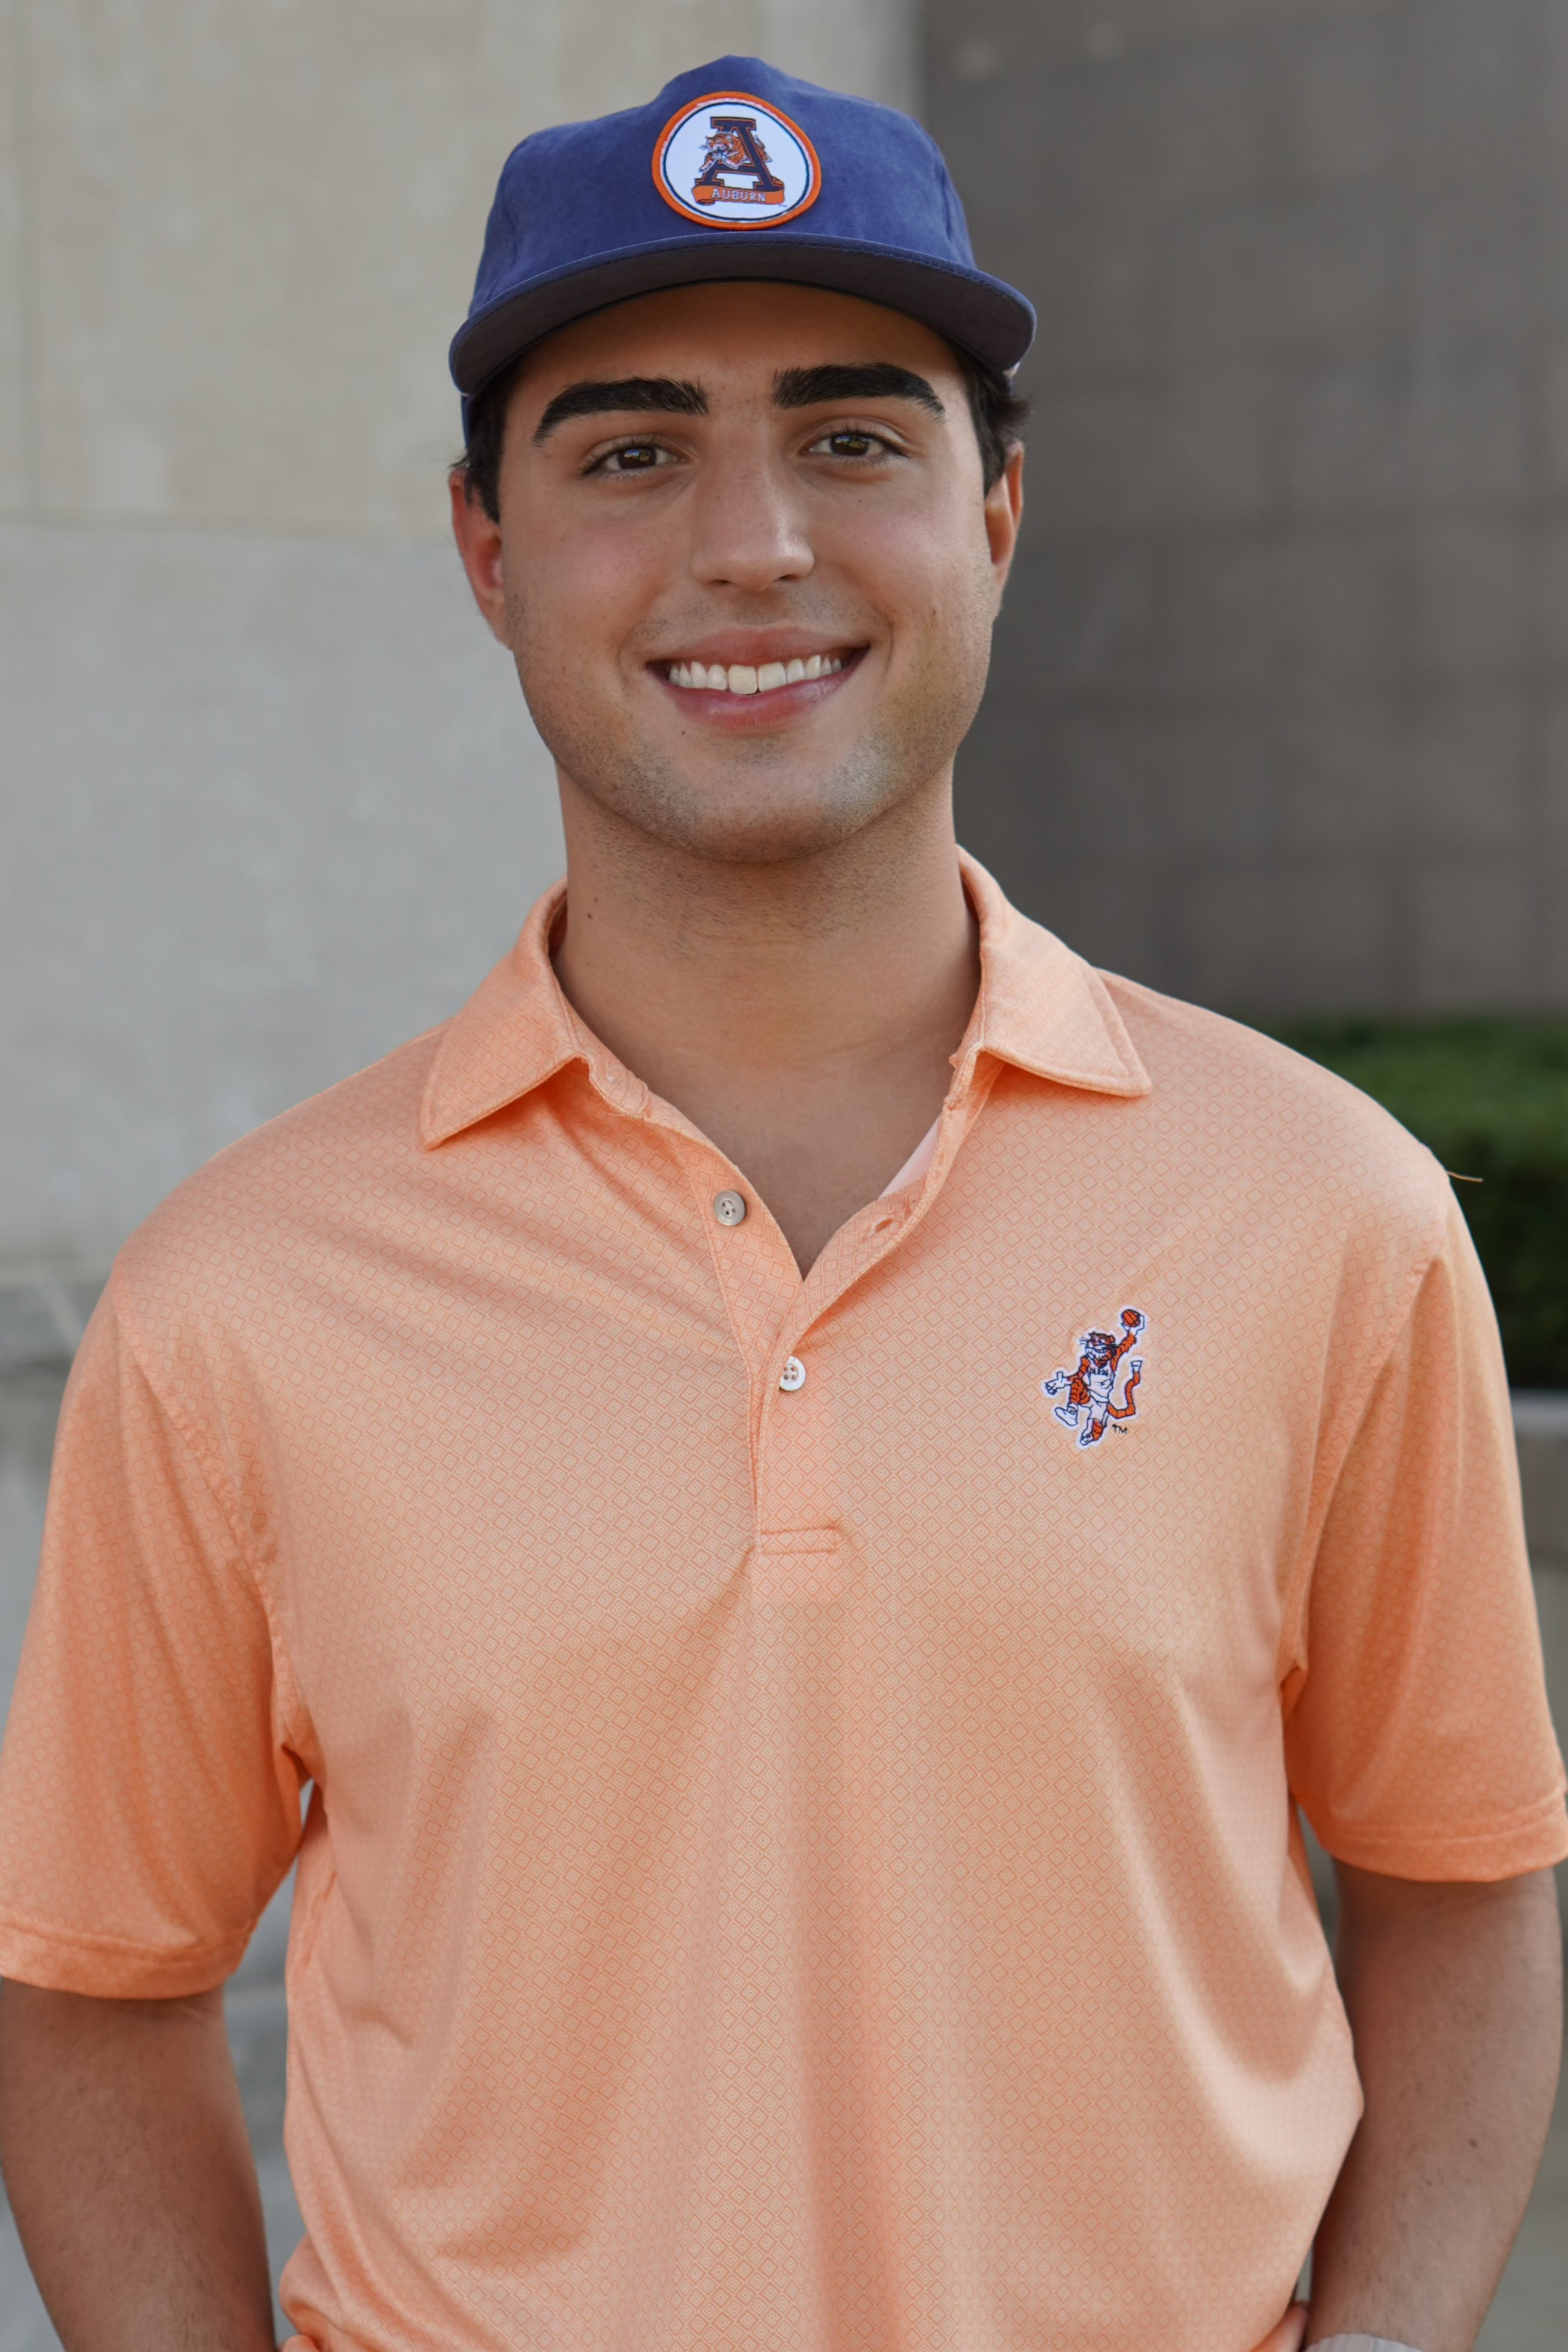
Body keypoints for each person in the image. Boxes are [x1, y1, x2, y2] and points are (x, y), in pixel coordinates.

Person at [0, 55, 1562, 2352]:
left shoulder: (1321, 1209)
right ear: (486, 551)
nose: (752, 545)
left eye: (851, 439)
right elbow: (95, 1981)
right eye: (631, 452)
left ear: (994, 516)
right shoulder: (238, 1298)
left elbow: (1460, 1882)